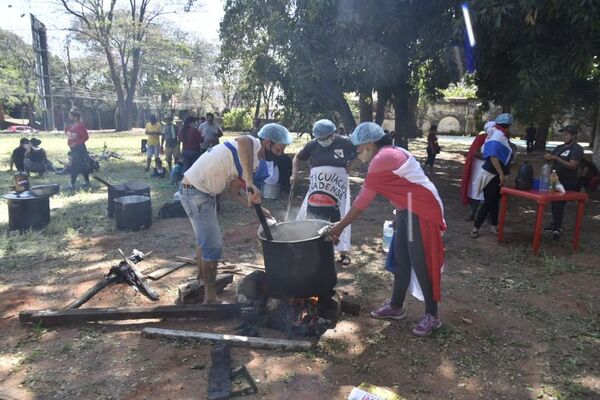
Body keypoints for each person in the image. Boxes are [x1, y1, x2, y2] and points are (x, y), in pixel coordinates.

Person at [328, 122, 446, 337]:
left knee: (420, 263)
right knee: (401, 258)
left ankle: (432, 315)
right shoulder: (388, 153)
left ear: (370, 144)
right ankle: (396, 306)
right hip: (406, 209)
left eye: (358, 147)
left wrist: (339, 227)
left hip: (420, 210)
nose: (357, 152)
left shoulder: (382, 159)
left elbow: (361, 203)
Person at [179, 123, 292, 304]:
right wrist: (249, 181)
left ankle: (202, 281)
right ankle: (210, 298)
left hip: (202, 193)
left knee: (205, 240)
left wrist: (253, 206)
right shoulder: (252, 144)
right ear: (267, 142)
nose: (279, 154)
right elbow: (244, 141)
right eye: (278, 150)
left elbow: (233, 191)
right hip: (195, 191)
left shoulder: (254, 163)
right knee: (212, 245)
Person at [292, 119, 357, 265]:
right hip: (318, 186)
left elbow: (358, 153)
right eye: (320, 139)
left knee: (341, 216)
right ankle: (311, 249)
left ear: (333, 134)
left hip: (338, 186)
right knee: (313, 215)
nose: (323, 141)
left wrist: (351, 167)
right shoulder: (313, 145)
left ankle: (343, 252)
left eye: (326, 138)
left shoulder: (345, 143)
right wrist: (294, 173)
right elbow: (297, 157)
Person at [470, 113, 514, 238]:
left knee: (495, 202)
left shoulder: (498, 134)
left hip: (497, 174)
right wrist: (501, 173)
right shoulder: (497, 136)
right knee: (489, 201)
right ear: (507, 126)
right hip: (491, 174)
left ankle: (493, 225)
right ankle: (476, 227)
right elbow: (493, 157)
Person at [543, 125, 584, 240]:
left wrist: (556, 159)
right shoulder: (559, 147)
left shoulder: (576, 149)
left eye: (566, 134)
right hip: (555, 179)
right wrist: (548, 157)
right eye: (563, 134)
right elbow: (552, 158)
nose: (563, 136)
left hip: (567, 181)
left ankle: (557, 228)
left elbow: (573, 165)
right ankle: (555, 224)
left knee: (558, 203)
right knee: (555, 203)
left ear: (574, 136)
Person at [460, 126, 490, 221]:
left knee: (489, 193)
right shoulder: (481, 138)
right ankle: (472, 214)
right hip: (478, 170)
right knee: (475, 192)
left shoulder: (497, 139)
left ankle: (488, 216)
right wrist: (489, 157)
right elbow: (475, 153)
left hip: (490, 170)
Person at [65, 108, 91, 189]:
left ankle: (72, 184)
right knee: (82, 165)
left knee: (74, 165)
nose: (69, 117)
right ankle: (87, 182)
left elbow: (86, 137)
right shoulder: (72, 126)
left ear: (75, 117)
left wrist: (76, 143)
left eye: (70, 116)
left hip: (79, 148)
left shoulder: (80, 126)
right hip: (73, 149)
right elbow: (68, 133)